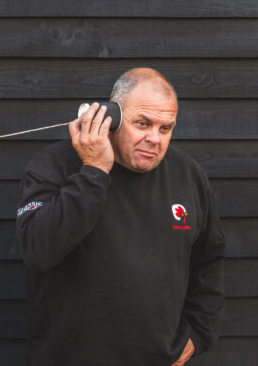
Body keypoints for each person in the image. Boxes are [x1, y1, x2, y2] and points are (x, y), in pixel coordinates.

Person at [16, 68, 225, 366]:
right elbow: (38, 249)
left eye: (165, 128)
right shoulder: (55, 164)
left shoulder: (188, 174)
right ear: (110, 118)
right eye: (143, 123)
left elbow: (209, 260)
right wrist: (94, 170)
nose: (154, 138)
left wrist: (199, 334)